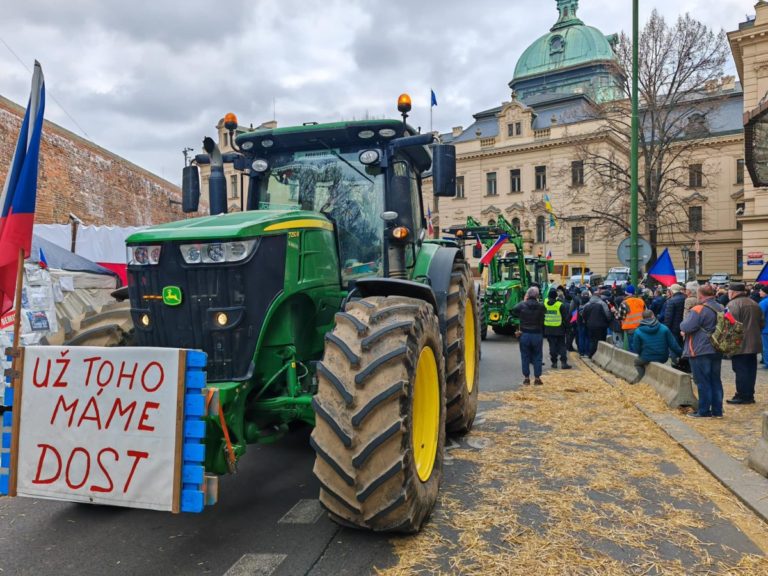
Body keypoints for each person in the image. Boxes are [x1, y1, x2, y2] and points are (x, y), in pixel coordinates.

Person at [681, 284, 724, 418]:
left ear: (700, 295)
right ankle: (717, 411)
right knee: (715, 380)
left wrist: (683, 325)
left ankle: (704, 411)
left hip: (700, 349)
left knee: (702, 381)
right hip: (716, 347)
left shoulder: (698, 309)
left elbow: (686, 326)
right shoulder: (721, 307)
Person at [726, 282, 765, 405]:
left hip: (739, 343)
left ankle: (742, 396)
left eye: (729, 292)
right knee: (750, 370)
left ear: (733, 292)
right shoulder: (754, 304)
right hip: (754, 342)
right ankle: (749, 394)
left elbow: (729, 325)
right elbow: (762, 323)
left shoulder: (732, 304)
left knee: (740, 369)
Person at [633, 309, 683, 379]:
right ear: (653, 316)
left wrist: (641, 354)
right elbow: (673, 345)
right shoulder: (664, 328)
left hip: (646, 357)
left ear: (643, 318)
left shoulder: (638, 331)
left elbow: (636, 348)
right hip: (662, 357)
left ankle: (642, 377)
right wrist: (682, 354)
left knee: (636, 362)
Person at [512, 287, 546, 386]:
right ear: (537, 295)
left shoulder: (522, 305)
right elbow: (544, 313)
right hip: (537, 334)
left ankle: (526, 378)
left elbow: (514, 310)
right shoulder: (541, 306)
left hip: (525, 334)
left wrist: (524, 300)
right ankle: (537, 378)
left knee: (525, 356)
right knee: (537, 356)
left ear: (528, 295)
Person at [544, 289, 572, 370]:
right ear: (556, 296)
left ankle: (554, 363)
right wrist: (568, 328)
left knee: (552, 346)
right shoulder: (560, 305)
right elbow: (566, 318)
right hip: (559, 329)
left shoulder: (545, 304)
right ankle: (564, 363)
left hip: (548, 329)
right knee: (562, 346)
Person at [582, 290, 612, 358]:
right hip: (601, 326)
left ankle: (591, 354)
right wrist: (608, 321)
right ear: (599, 296)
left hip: (590, 326)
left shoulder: (587, 304)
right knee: (601, 341)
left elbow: (583, 315)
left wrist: (587, 322)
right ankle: (597, 354)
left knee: (592, 340)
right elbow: (607, 314)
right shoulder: (602, 303)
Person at [619, 285, 645, 352]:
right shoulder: (641, 301)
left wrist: (615, 312)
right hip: (641, 327)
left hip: (631, 329)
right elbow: (645, 313)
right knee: (640, 345)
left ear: (626, 292)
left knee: (632, 347)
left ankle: (634, 361)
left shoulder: (624, 303)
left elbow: (621, 317)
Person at [759, 284, 768, 369]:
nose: (759, 292)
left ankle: (767, 363)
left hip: (765, 329)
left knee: (766, 347)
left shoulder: (763, 302)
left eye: (761, 291)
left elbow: (759, 315)